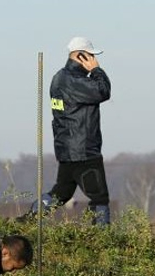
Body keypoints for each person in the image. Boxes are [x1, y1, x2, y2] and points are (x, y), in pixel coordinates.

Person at [19, 36, 112, 225]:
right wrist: (96, 70)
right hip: (85, 152)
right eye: (90, 56)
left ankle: (27, 221)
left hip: (66, 150)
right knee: (100, 199)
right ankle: (103, 243)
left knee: (60, 194)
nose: (94, 59)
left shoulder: (58, 78)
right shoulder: (74, 81)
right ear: (80, 56)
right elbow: (103, 91)